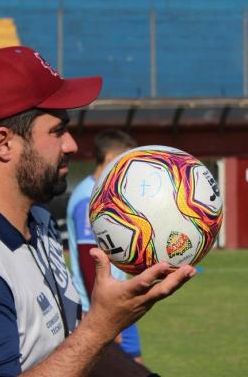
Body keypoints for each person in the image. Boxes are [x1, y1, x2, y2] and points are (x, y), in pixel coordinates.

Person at [0, 46, 196, 376]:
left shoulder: (38, 221)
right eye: (57, 131)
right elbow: (85, 340)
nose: (72, 145)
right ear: (3, 144)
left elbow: (69, 343)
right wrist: (100, 328)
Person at [67, 129, 143, 363]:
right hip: (100, 306)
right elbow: (89, 257)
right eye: (126, 159)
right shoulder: (89, 198)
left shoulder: (107, 193)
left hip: (115, 299)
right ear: (110, 158)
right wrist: (103, 315)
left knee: (134, 366)